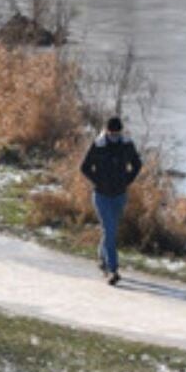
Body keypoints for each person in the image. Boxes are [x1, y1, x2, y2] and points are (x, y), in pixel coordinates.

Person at [80, 116, 142, 286]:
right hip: (101, 196)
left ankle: (102, 258)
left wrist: (127, 180)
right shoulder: (99, 145)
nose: (114, 136)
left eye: (117, 133)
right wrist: (98, 181)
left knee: (110, 230)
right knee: (110, 230)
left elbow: (137, 164)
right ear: (106, 131)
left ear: (120, 132)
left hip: (120, 195)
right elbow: (85, 167)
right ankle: (112, 270)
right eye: (111, 133)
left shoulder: (126, 144)